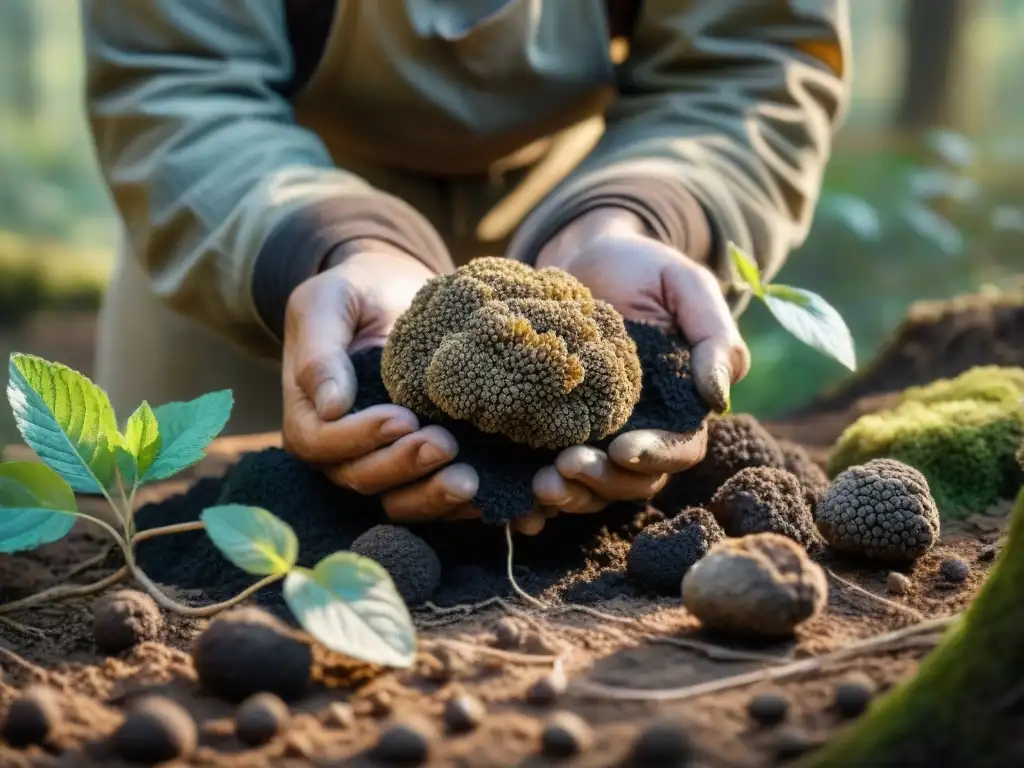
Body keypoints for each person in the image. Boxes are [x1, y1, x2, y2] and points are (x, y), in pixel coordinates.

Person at [82, 0, 851, 534]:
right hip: (250, 227)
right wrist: (321, 241)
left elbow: (753, 55)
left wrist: (643, 212)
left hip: (586, 197)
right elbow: (172, 70)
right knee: (181, 530)